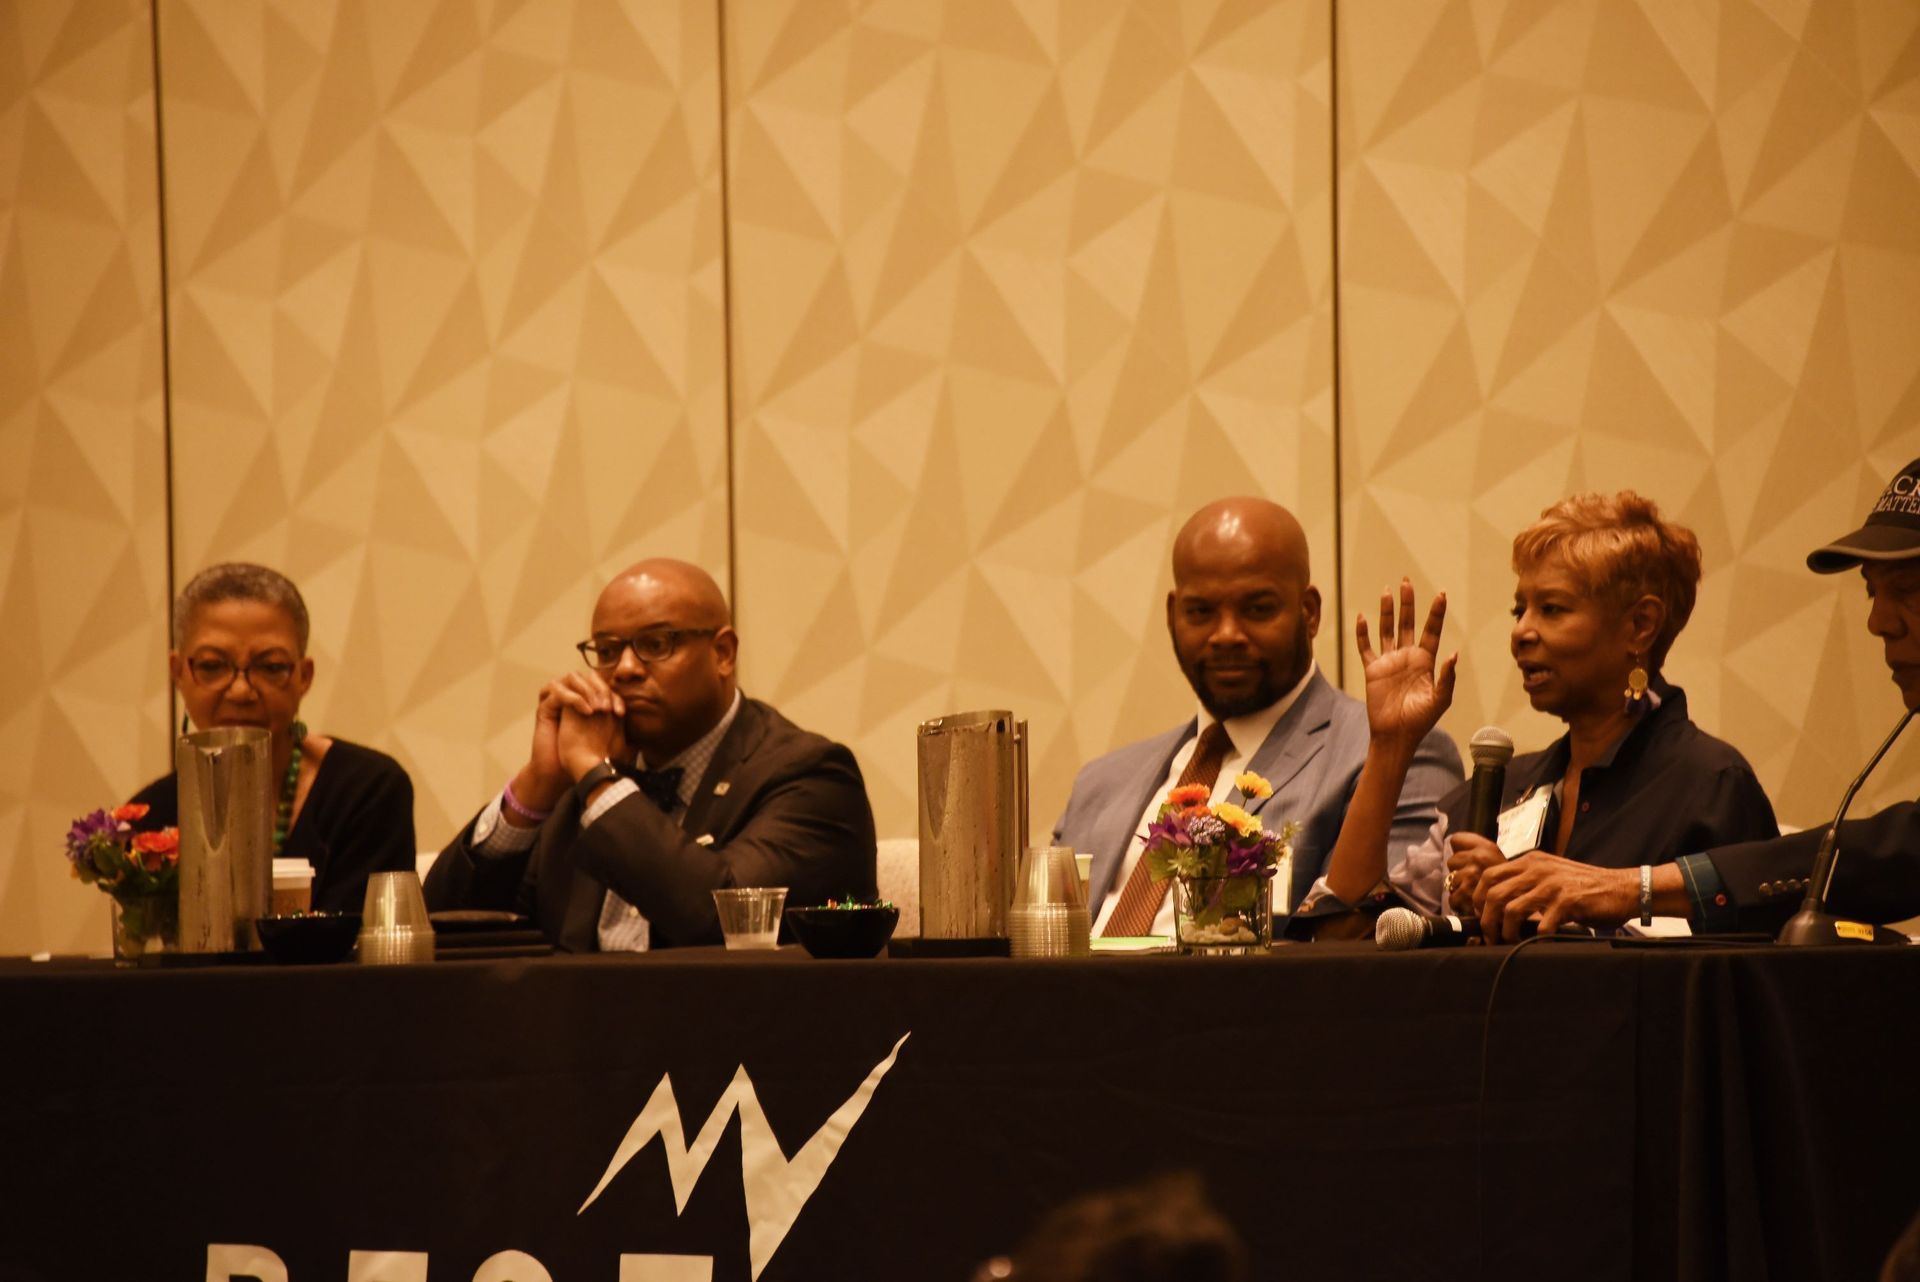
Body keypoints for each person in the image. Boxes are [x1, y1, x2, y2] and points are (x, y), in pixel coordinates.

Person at [1470, 465, 1920, 939]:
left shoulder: (1712, 783)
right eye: (1872, 591)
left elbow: (1902, 850)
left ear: (1641, 625)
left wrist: (1634, 888)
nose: (1878, 622)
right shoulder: (1518, 781)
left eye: (1908, 591)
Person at [1301, 492, 1779, 921]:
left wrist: (1522, 902)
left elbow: (1734, 977)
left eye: (1551, 609)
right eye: (1519, 610)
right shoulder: (1500, 788)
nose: (1521, 631)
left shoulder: (1710, 785)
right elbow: (1343, 933)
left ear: (1640, 626)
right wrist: (1390, 745)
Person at [1051, 497, 1462, 935]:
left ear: (1309, 612)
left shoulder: (1393, 752)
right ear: (1173, 616)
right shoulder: (1100, 784)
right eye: (1201, 611)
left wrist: (1390, 750)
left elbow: (1365, 947)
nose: (1226, 634)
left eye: (1257, 608)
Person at [423, 558, 876, 951]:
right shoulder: (580, 788)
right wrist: (536, 789)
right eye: (607, 650)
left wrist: (597, 779)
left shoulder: (810, 777)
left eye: (656, 645)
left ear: (723, 653)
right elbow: (445, 934)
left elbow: (720, 921)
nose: (624, 669)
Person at [130, 563, 416, 913]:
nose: (240, 690)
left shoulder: (367, 791)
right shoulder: (149, 817)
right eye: (212, 665)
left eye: (270, 667)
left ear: (304, 676)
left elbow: (366, 955)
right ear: (178, 673)